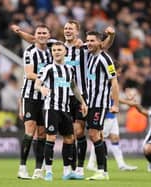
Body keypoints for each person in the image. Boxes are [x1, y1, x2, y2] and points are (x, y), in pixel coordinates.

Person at [11, 21, 115, 177]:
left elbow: (103, 45)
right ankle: (62, 168)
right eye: (66, 28)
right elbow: (34, 39)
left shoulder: (84, 47)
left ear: (77, 31)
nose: (67, 31)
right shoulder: (56, 45)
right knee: (64, 133)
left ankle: (79, 168)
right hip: (62, 97)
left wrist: (111, 35)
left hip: (79, 94)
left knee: (79, 132)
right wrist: (19, 32)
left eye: (71, 29)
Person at [35, 41, 88, 181]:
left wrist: (82, 102)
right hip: (51, 108)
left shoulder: (69, 69)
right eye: (54, 50)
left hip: (65, 109)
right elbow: (37, 84)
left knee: (69, 138)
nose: (57, 52)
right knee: (51, 137)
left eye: (59, 49)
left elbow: (74, 87)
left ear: (65, 52)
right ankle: (48, 172)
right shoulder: (48, 69)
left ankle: (66, 172)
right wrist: (42, 89)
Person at [15, 24, 52, 180]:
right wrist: (47, 78)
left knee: (42, 132)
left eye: (45, 32)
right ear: (35, 35)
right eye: (39, 33)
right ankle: (22, 167)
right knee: (30, 128)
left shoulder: (53, 49)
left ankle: (38, 168)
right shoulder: (30, 51)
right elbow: (29, 74)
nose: (42, 35)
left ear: (49, 35)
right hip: (30, 95)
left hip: (46, 97)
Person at [87, 65, 137, 171]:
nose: (119, 74)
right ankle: (91, 164)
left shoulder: (114, 80)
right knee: (99, 138)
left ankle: (121, 164)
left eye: (120, 72)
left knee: (115, 138)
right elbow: (112, 95)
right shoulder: (107, 80)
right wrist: (128, 102)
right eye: (118, 72)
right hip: (106, 113)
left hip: (112, 115)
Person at [85, 31, 120, 180]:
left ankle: (101, 170)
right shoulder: (90, 57)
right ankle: (103, 171)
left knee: (94, 134)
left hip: (100, 103)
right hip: (90, 103)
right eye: (87, 41)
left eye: (92, 40)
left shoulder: (105, 59)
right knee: (97, 135)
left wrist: (116, 104)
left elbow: (114, 82)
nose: (89, 43)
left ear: (100, 42)